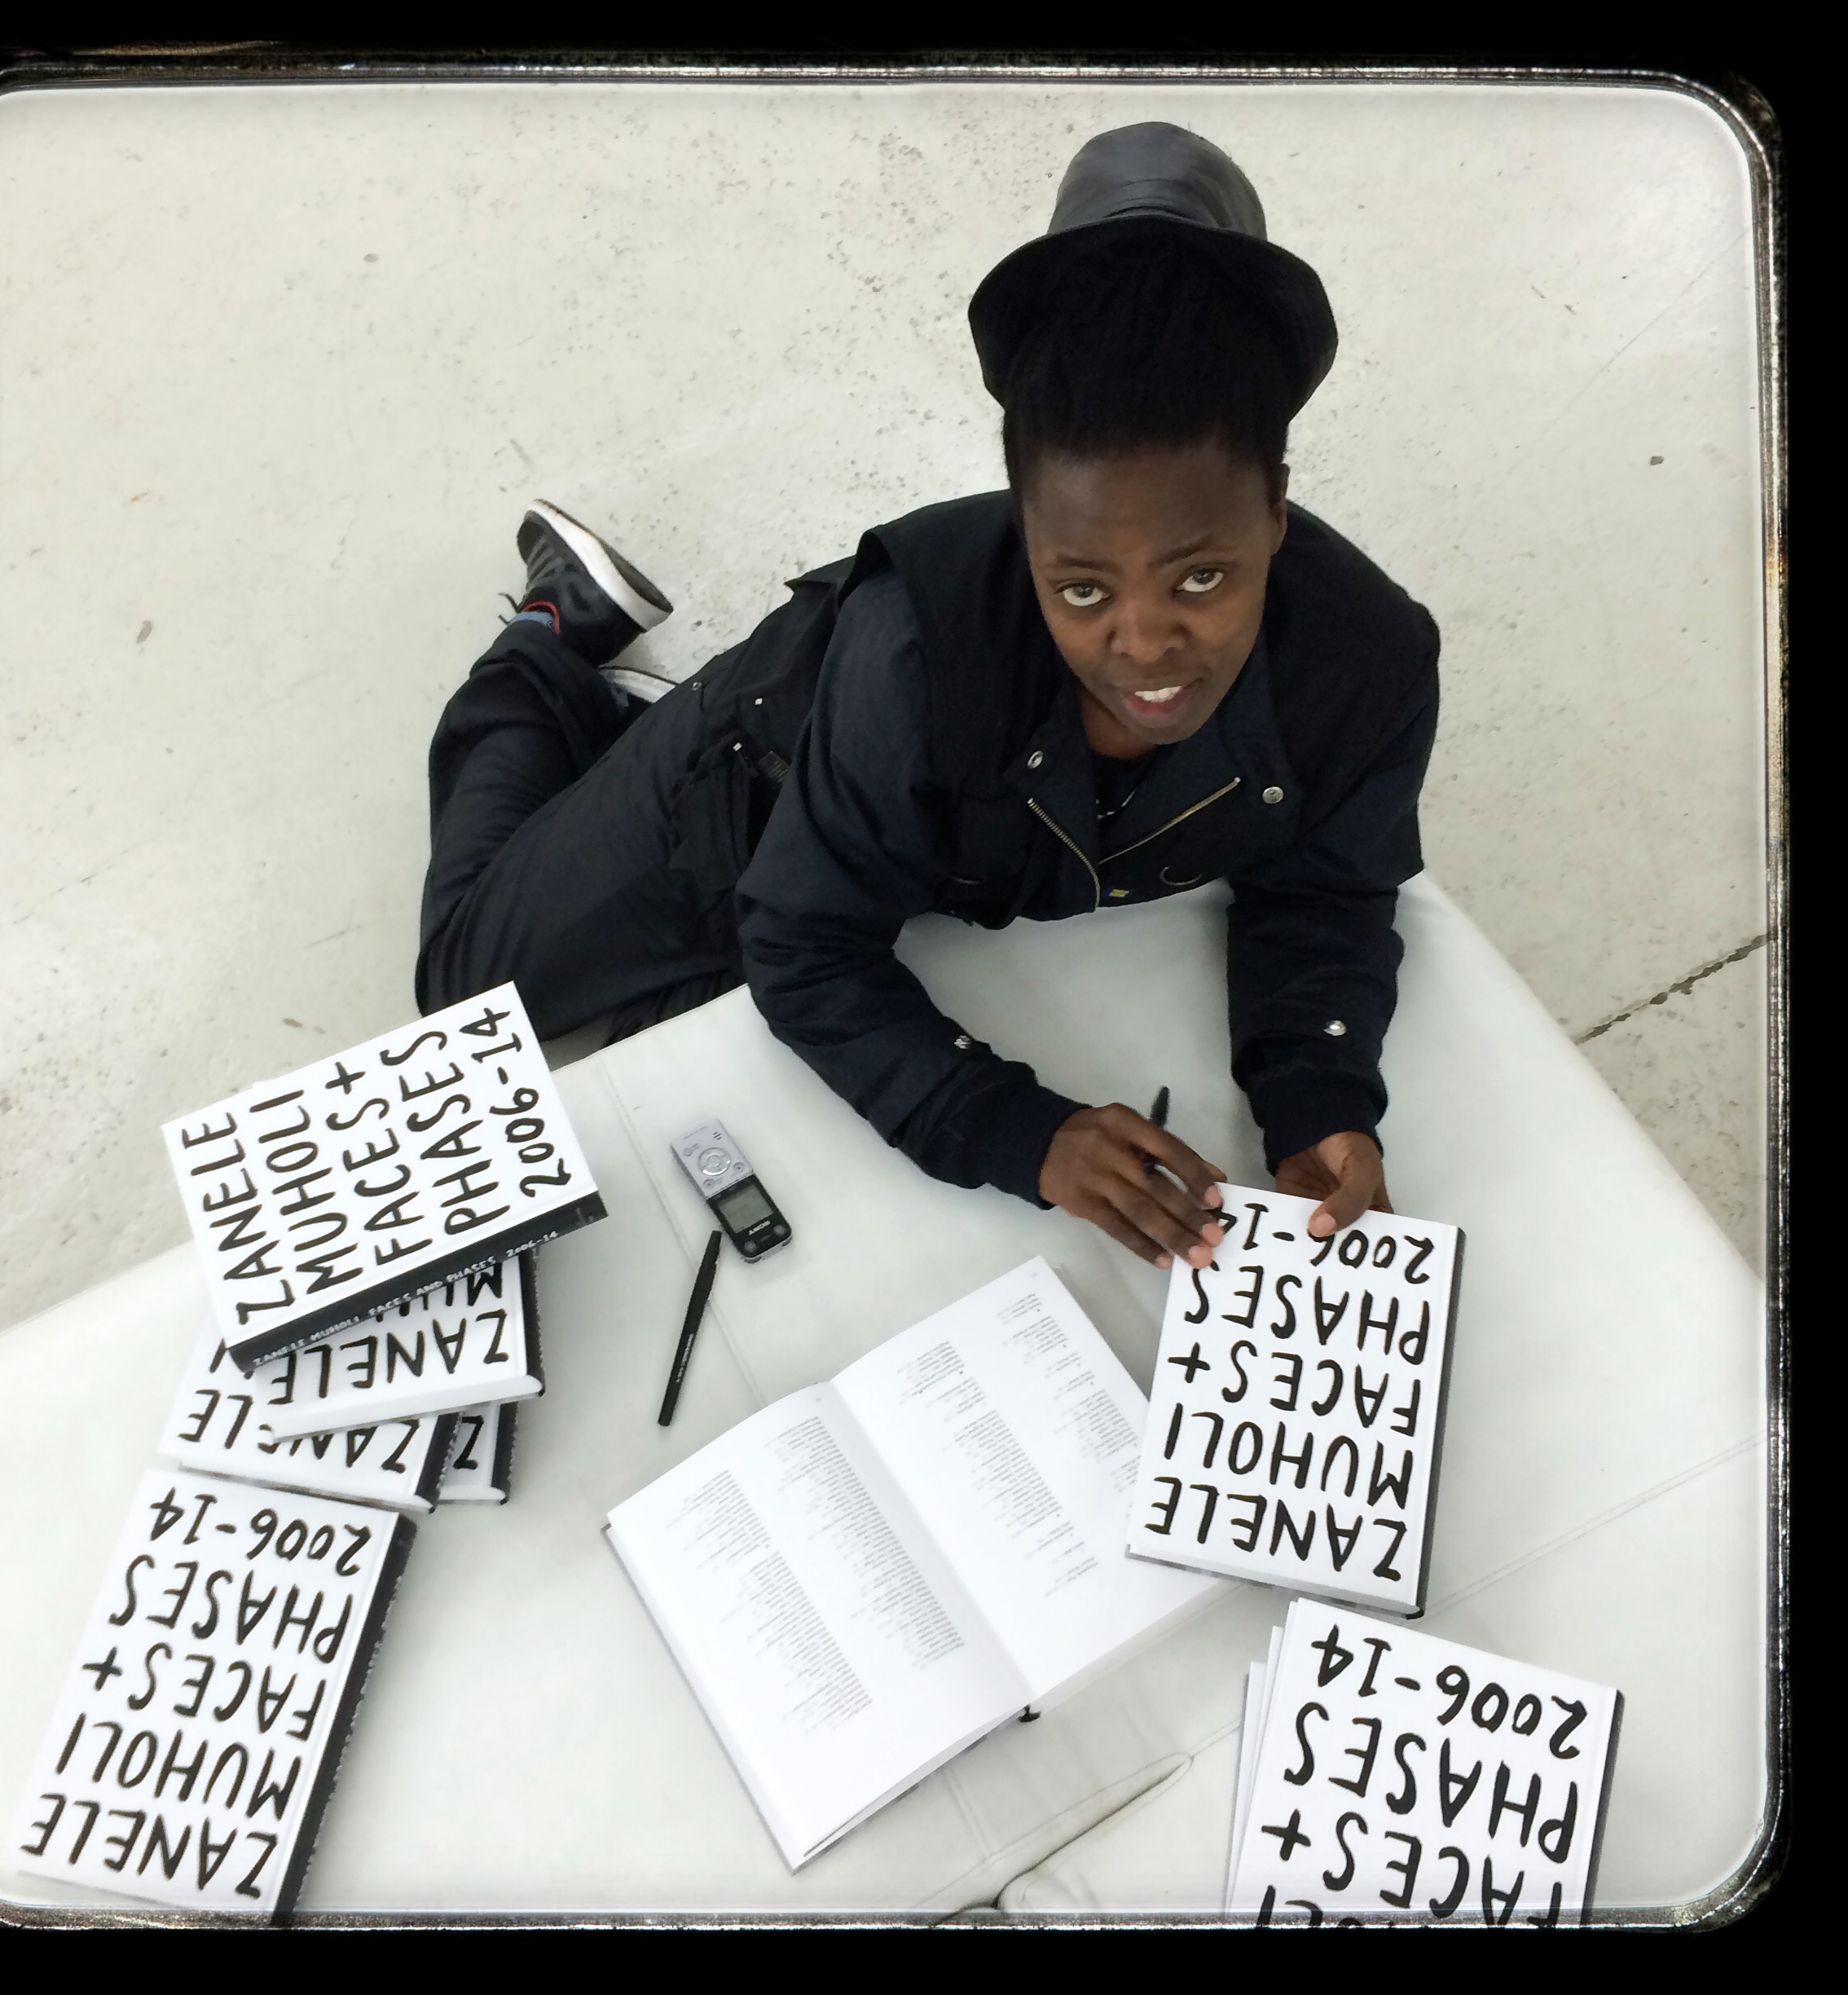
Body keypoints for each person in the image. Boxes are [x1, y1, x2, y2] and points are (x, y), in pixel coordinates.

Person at [416, 123, 1438, 1275]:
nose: (1147, 646)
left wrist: (1318, 1097)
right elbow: (803, 939)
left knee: (691, 1056)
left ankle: (617, 747)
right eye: (1081, 587)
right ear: (1024, 525)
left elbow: (1326, 891)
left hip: (883, 845)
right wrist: (1014, 1128)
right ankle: (551, 647)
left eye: (1202, 577)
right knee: (467, 994)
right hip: (756, 774)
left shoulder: (1372, 666)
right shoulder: (909, 651)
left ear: (1277, 511)